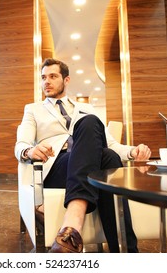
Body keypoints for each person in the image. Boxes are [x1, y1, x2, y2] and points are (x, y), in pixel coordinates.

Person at [15, 58, 151, 253]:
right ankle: (127, 252)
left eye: (53, 76)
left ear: (66, 80)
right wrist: (30, 151)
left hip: (88, 162)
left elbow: (111, 144)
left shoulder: (86, 109)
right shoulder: (33, 109)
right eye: (43, 77)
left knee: (107, 152)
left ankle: (74, 229)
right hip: (57, 167)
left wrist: (132, 151)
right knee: (103, 149)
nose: (46, 82)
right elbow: (21, 144)